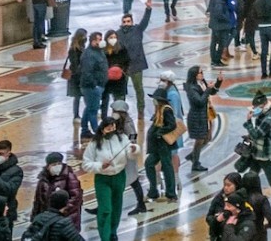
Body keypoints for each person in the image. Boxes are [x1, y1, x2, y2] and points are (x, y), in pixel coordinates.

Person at [81, 111, 135, 241]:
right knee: (105, 209)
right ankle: (104, 237)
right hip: (103, 179)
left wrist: (133, 150)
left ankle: (112, 232)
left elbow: (129, 152)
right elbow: (85, 164)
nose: (111, 129)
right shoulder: (94, 144)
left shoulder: (122, 138)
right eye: (108, 127)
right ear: (103, 129)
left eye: (113, 126)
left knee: (116, 207)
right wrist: (100, 165)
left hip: (119, 177)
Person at [242, 93, 271, 208]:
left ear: (263, 105)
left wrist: (248, 123)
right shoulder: (263, 115)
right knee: (250, 178)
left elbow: (258, 134)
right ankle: (253, 201)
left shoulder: (269, 118)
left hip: (266, 155)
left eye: (255, 107)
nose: (253, 110)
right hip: (257, 152)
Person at [143, 88, 179, 204]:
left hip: (163, 145)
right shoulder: (159, 109)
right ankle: (153, 191)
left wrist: (159, 133)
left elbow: (172, 125)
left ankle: (171, 194)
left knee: (167, 167)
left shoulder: (166, 110)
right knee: (149, 163)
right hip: (157, 146)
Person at [33, 151, 84, 231]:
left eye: (59, 164)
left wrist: (63, 210)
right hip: (49, 221)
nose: (57, 166)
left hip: (67, 220)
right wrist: (35, 218)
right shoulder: (43, 181)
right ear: (48, 166)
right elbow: (38, 202)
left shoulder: (69, 177)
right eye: (54, 165)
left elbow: (76, 197)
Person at [184, 66, 220, 173]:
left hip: (205, 115)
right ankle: (195, 163)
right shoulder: (191, 88)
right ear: (195, 74)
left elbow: (211, 92)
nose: (202, 74)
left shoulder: (201, 83)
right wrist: (208, 89)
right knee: (200, 140)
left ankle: (193, 156)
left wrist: (218, 82)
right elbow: (199, 101)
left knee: (208, 138)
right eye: (200, 72)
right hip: (197, 117)